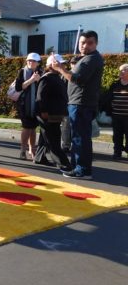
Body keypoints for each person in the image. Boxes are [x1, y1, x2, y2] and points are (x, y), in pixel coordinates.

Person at [52, 30, 104, 179]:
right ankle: (77, 167)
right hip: (80, 103)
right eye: (82, 42)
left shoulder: (91, 59)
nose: (85, 45)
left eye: (90, 43)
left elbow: (77, 79)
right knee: (77, 137)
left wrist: (60, 69)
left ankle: (82, 170)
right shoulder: (87, 58)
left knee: (80, 138)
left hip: (81, 103)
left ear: (96, 44)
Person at [34, 54, 72, 173]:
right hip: (47, 114)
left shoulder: (56, 77)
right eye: (59, 63)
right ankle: (64, 163)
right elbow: (41, 97)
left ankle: (39, 157)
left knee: (45, 137)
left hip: (54, 114)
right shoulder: (46, 78)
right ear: (51, 65)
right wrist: (44, 112)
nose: (62, 65)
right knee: (53, 140)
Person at [15, 52, 42, 160]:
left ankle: (32, 150)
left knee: (33, 128)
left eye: (34, 61)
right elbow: (18, 88)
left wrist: (39, 79)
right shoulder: (22, 72)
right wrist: (31, 80)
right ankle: (23, 150)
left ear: (38, 63)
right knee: (26, 127)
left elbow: (42, 86)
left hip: (36, 104)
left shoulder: (40, 72)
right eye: (29, 60)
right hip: (24, 104)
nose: (31, 62)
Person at [104, 63, 128, 160]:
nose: (120, 72)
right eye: (120, 70)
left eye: (123, 70)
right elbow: (108, 98)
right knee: (117, 136)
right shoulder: (115, 84)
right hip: (116, 115)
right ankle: (117, 152)